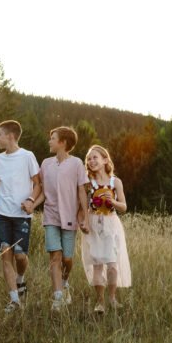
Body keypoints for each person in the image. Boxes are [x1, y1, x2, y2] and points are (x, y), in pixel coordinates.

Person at [29, 126, 89, 311]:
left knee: (67, 259)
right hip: (51, 216)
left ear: (63, 142)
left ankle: (64, 282)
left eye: (52, 138)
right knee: (55, 257)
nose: (49, 141)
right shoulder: (46, 164)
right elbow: (42, 190)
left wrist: (85, 217)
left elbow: (82, 191)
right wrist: (32, 204)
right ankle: (58, 297)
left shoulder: (77, 163)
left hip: (70, 217)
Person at [0, 120, 41, 313]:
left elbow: (38, 184)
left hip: (21, 215)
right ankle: (14, 299)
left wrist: (30, 200)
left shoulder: (27, 156)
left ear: (10, 136)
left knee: (20, 255)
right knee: (5, 254)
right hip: (2, 213)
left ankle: (20, 279)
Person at [81, 144, 132, 313]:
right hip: (94, 224)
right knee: (97, 264)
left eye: (95, 157)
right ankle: (100, 302)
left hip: (111, 224)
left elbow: (124, 207)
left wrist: (113, 202)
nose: (91, 161)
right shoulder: (88, 183)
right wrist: (84, 222)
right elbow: (84, 206)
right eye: (89, 159)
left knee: (112, 264)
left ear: (104, 160)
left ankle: (112, 297)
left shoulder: (115, 182)